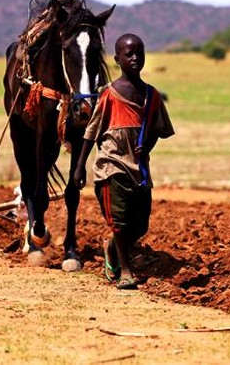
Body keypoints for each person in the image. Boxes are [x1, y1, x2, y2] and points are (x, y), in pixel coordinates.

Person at [74, 33, 174, 289]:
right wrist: (79, 167)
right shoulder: (109, 94)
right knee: (119, 222)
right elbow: (91, 131)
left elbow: (159, 131)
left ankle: (111, 248)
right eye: (128, 54)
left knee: (140, 225)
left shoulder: (152, 97)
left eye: (139, 53)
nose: (135, 58)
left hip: (139, 169)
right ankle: (125, 271)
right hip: (112, 164)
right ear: (118, 59)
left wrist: (147, 145)